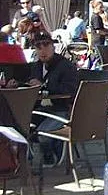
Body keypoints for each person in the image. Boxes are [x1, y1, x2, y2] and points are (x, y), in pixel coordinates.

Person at [18, 32, 78, 164]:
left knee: (43, 134)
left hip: (62, 109)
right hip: (39, 109)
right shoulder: (36, 66)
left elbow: (70, 90)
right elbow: (26, 81)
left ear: (53, 47)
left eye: (46, 45)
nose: (42, 49)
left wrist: (44, 86)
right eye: (38, 46)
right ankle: (21, 163)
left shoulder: (66, 66)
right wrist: (17, 83)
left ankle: (51, 156)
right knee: (17, 126)